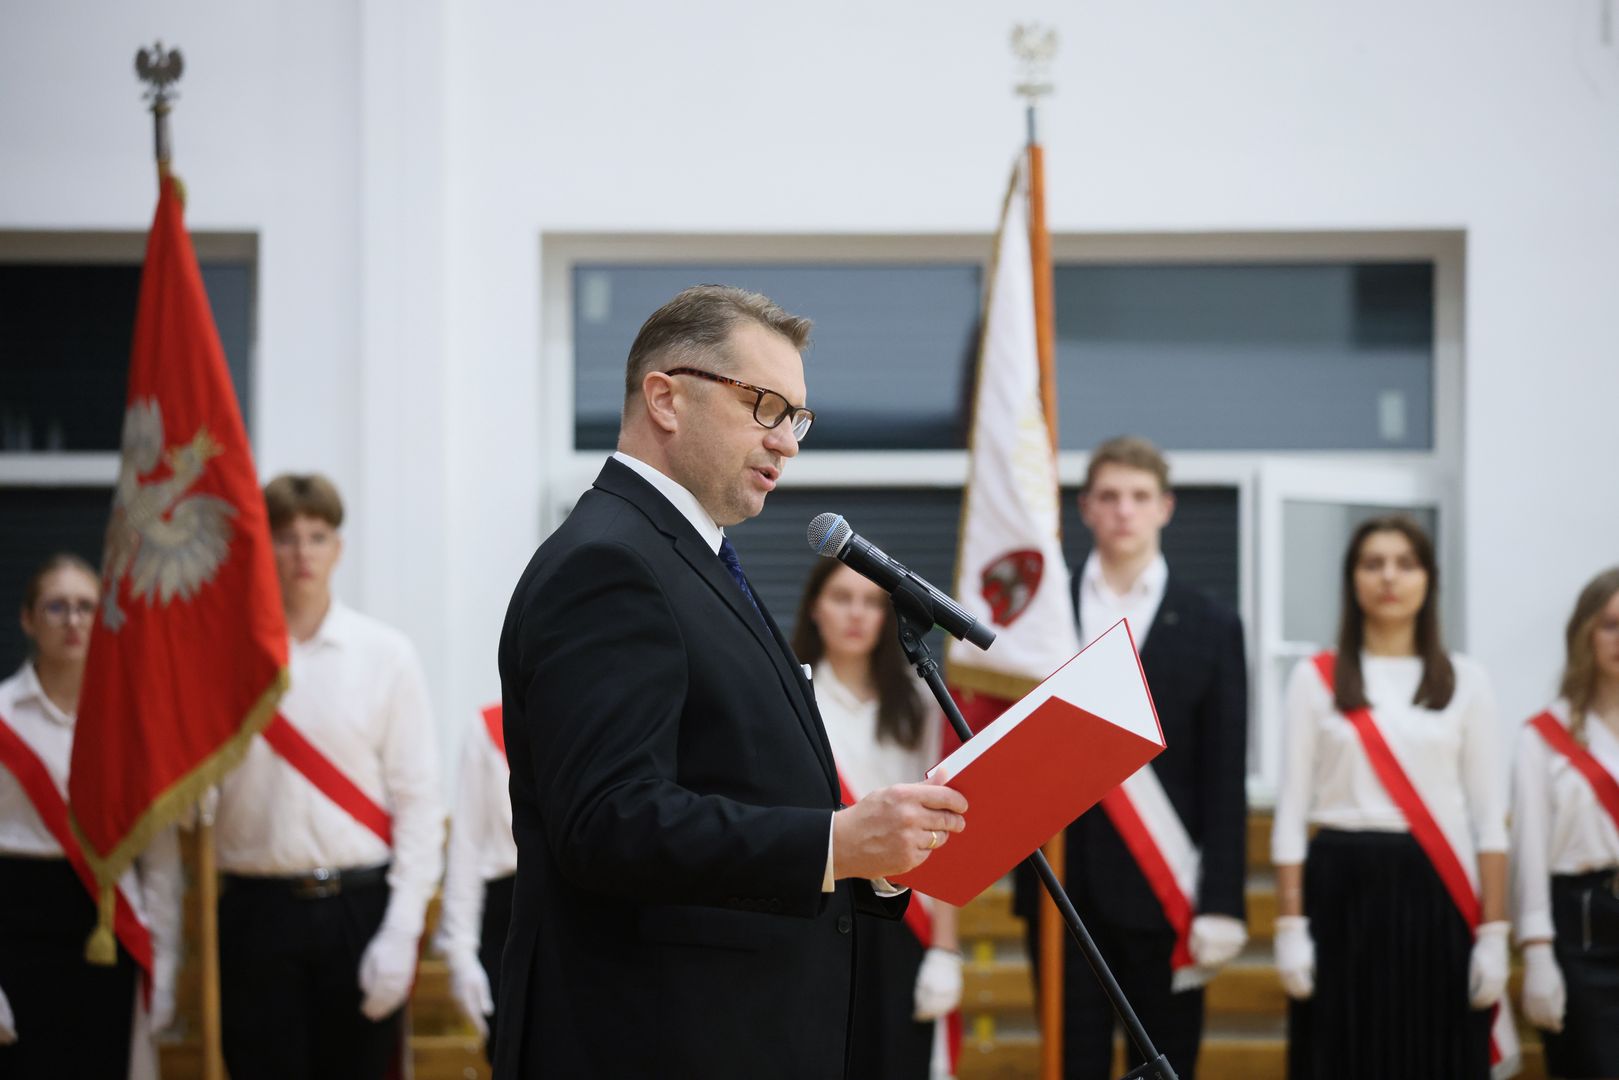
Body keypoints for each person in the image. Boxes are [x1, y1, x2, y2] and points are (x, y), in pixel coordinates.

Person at [494, 284, 969, 1079]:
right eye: (764, 405)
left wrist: (869, 858)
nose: (786, 442)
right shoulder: (609, 562)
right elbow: (608, 821)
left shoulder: (688, 555)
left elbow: (734, 782)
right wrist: (832, 842)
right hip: (655, 1039)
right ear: (665, 397)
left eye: (798, 419)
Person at [1013, 435, 1249, 1080]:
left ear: (1165, 508)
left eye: (1140, 497)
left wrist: (1223, 901)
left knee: (1168, 1068)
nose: (1125, 511)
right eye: (1110, 496)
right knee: (1074, 1067)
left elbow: (1224, 776)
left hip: (1168, 891)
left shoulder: (1211, 623)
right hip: (1065, 885)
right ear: (1085, 508)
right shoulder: (1041, 613)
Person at [213, 474, 444, 1080]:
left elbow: (419, 801)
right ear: (264, 548)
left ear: (338, 548)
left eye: (317, 536)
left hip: (357, 909)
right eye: (285, 538)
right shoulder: (224, 660)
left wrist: (401, 931)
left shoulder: (384, 653)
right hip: (254, 909)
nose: (302, 553)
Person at [1272, 515, 1510, 1079]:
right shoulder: (1315, 678)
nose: (1389, 577)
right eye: (1372, 563)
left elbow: (1488, 820)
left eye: (1405, 563)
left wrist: (1495, 936)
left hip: (1437, 894)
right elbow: (1288, 814)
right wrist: (1288, 928)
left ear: (1428, 579)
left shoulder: (1467, 680)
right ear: (1352, 579)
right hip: (1340, 893)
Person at [0, 553, 181, 1079]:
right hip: (16, 923)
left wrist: (164, 969)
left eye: (86, 607)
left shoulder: (133, 723)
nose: (74, 621)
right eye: (57, 607)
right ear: (28, 620)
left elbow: (161, 858)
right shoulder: (3, 715)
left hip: (104, 929)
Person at [790, 558, 963, 1080]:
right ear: (815, 607)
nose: (856, 614)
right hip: (814, 905)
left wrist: (946, 950)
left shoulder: (918, 703)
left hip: (901, 916)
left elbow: (946, 827)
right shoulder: (791, 694)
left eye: (871, 602)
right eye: (842, 598)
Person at [1511, 566, 1619, 1078]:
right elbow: (1528, 853)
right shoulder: (1544, 736)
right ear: (1585, 634)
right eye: (1610, 625)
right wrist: (1537, 956)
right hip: (1583, 935)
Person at [435, 702, 516, 1058]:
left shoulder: (599, 715)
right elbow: (466, 845)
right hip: (506, 909)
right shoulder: (489, 726)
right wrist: (461, 954)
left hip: (582, 906)